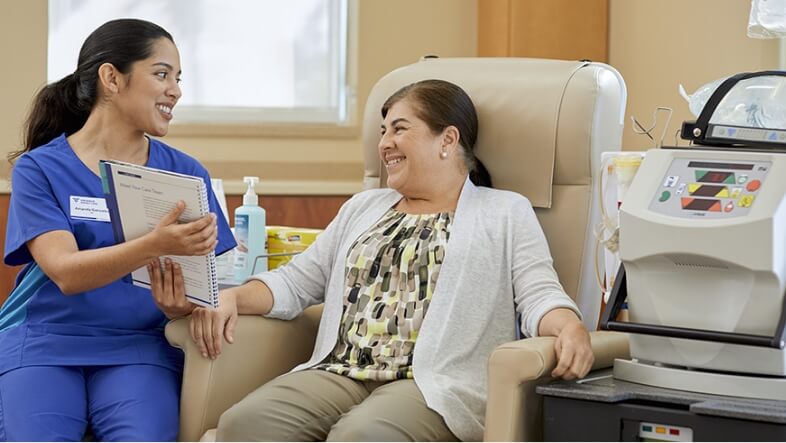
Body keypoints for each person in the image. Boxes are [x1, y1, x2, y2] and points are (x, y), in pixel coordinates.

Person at [183, 79, 593, 442]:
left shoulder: (503, 212)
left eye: (399, 129)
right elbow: (296, 280)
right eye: (382, 132)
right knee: (243, 424)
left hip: (431, 382)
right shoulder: (363, 207)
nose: (384, 144)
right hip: (341, 370)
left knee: (362, 436)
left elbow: (538, 294)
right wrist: (233, 298)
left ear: (448, 140)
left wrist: (569, 327)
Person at [0, 19, 235, 441]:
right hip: (45, 343)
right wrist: (153, 244)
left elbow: (200, 292)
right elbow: (66, 271)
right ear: (111, 78)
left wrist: (179, 308)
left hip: (138, 347)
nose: (176, 91)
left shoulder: (186, 175)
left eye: (178, 79)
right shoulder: (40, 169)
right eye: (161, 74)